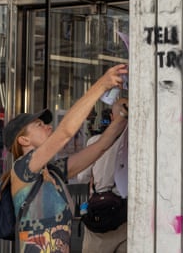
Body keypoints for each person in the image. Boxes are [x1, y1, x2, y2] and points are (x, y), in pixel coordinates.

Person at [2, 64, 129, 253]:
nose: (47, 127)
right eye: (39, 125)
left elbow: (101, 145)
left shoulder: (52, 171)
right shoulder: (23, 168)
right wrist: (101, 85)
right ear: (23, 139)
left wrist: (123, 115)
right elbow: (65, 132)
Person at [78, 97, 129, 253]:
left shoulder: (95, 141)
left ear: (112, 117)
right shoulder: (137, 144)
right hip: (125, 216)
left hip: (99, 215)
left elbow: (82, 177)